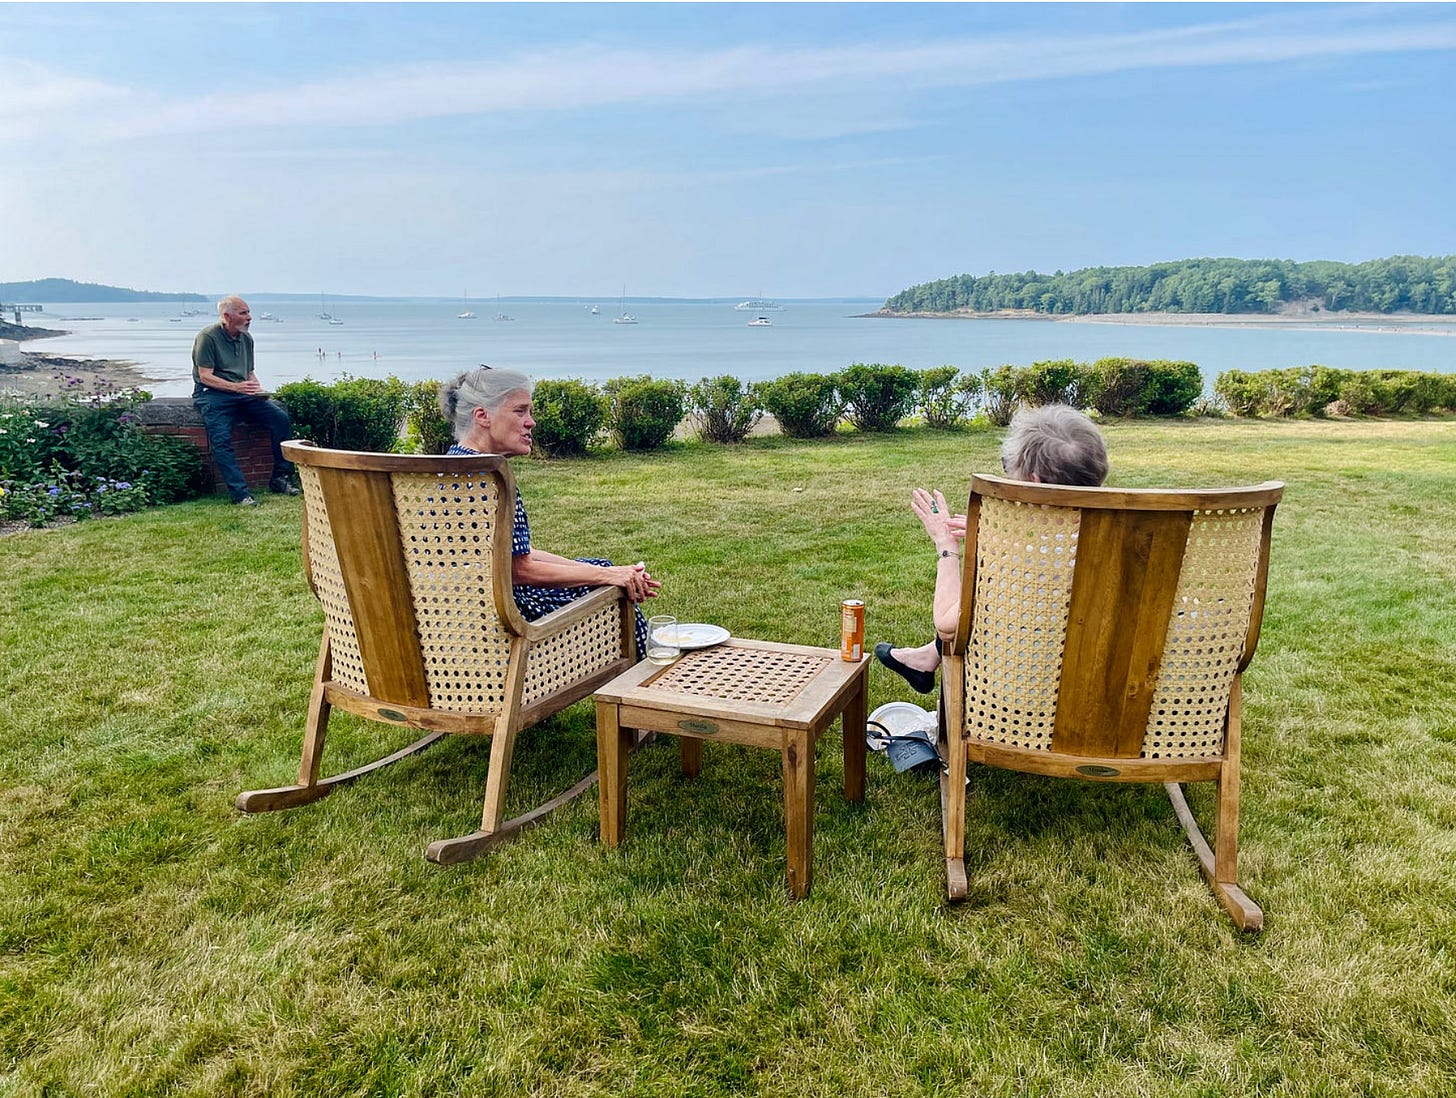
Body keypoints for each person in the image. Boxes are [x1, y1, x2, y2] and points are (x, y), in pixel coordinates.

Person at [875, 403, 1109, 694]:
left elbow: (947, 626)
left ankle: (923, 661)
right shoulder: (1135, 550)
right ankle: (923, 658)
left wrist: (946, 546)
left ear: (1034, 483)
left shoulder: (1020, 561)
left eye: (1009, 467)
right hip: (1109, 704)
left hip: (1018, 708)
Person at [440, 366, 660, 657]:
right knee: (608, 589)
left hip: (460, 611)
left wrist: (602, 570)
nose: (531, 422)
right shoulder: (489, 480)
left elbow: (516, 555)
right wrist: (606, 577)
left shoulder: (450, 469)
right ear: (483, 416)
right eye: (520, 411)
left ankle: (649, 656)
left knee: (602, 568)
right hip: (506, 618)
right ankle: (646, 668)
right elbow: (519, 570)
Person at [191, 296, 299, 506]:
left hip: (242, 393)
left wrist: (257, 389)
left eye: (248, 312)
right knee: (221, 440)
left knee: (280, 419)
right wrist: (236, 387)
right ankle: (240, 494)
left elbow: (249, 373)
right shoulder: (208, 337)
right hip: (213, 394)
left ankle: (281, 478)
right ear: (227, 316)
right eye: (243, 313)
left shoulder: (247, 339)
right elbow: (205, 376)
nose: (249, 317)